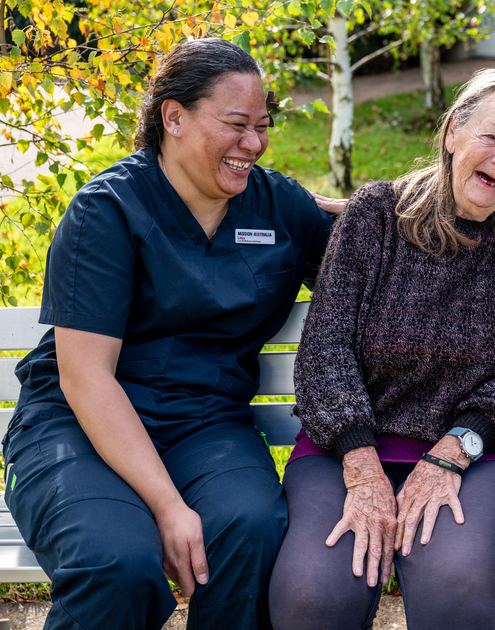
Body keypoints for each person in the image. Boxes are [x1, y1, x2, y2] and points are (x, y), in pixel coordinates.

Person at [2, 39, 334, 629]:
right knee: (118, 562)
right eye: (236, 124)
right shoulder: (107, 211)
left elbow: (375, 256)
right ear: (173, 117)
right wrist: (168, 505)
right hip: (79, 422)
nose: (253, 144)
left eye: (262, 126)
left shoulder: (277, 205)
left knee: (253, 530)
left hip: (206, 424)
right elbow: (85, 378)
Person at [268, 68, 495, 630]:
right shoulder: (376, 215)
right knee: (311, 597)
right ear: (453, 130)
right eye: (492, 137)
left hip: (478, 456)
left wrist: (450, 454)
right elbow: (326, 346)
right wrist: (362, 467)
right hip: (347, 446)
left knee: (452, 586)